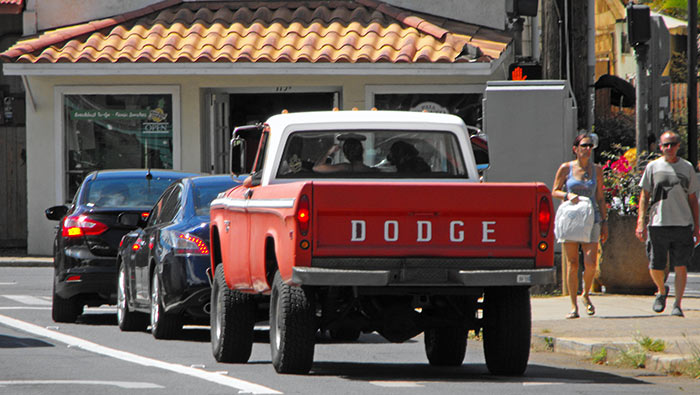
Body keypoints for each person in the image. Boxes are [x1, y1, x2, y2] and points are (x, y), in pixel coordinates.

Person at [635, 131, 699, 317]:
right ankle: (662, 290)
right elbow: (644, 196)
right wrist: (641, 221)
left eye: (672, 144)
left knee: (680, 265)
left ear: (679, 145)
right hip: (657, 223)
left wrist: (697, 226)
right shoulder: (653, 167)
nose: (669, 148)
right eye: (665, 145)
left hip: (682, 223)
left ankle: (677, 304)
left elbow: (693, 198)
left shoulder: (687, 168)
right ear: (660, 147)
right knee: (655, 266)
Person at [552, 133, 608, 319]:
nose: (587, 149)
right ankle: (573, 305)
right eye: (584, 145)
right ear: (575, 149)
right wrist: (567, 195)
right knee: (572, 263)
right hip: (571, 219)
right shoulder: (565, 168)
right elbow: (555, 191)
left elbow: (600, 197)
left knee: (591, 262)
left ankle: (585, 294)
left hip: (591, 218)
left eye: (590, 146)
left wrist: (604, 222)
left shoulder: (597, 170)